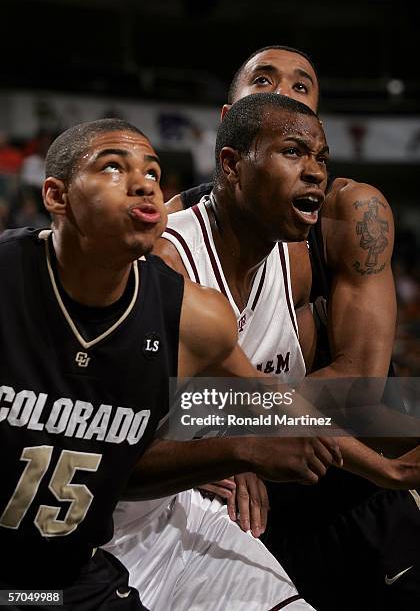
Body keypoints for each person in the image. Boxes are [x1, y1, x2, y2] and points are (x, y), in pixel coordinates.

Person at [0, 117, 345, 610]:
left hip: (96, 556)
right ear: (57, 196)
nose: (144, 182)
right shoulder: (12, 279)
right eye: (114, 167)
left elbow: (278, 408)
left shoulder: (193, 314)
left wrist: (389, 459)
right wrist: (238, 447)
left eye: (154, 172)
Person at [107, 96, 420, 611]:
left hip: (206, 516)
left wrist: (393, 469)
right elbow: (118, 437)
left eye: (321, 157)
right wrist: (234, 445)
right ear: (231, 164)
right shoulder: (166, 260)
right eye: (294, 153)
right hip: (121, 520)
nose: (315, 172)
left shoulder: (294, 264)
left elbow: (274, 395)